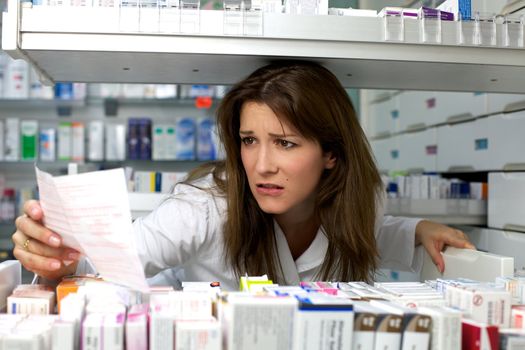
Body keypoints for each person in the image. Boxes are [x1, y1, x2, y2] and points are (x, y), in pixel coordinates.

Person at [12, 61, 474, 290]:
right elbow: (111, 263)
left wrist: (418, 230)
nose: (261, 165)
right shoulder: (205, 208)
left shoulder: (359, 203)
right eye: (249, 140)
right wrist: (57, 258)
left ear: (331, 154)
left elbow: (369, 231)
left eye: (286, 143)